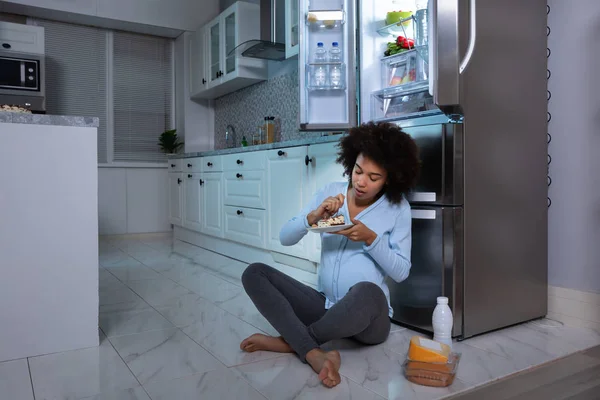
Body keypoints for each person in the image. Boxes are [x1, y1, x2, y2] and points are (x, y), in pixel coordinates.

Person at [239, 121, 421, 388]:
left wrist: (371, 239)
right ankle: (314, 351)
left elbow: (401, 272)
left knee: (369, 291)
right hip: (326, 308)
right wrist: (312, 218)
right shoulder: (329, 193)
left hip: (370, 320)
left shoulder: (398, 208)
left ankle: (292, 343)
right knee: (254, 273)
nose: (361, 182)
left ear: (390, 178)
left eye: (373, 178)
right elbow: (285, 238)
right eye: (358, 171)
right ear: (351, 162)